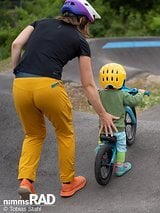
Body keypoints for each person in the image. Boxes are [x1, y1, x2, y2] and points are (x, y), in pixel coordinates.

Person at [11, 0, 119, 199]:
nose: (87, 28)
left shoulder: (39, 23)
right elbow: (87, 84)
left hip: (20, 85)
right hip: (48, 87)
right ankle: (68, 183)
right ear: (81, 20)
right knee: (65, 132)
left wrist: (17, 72)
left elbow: (16, 44)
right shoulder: (80, 41)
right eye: (87, 23)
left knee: (33, 135)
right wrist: (103, 114)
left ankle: (26, 181)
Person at [97, 63, 146, 176]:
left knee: (101, 141)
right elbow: (134, 101)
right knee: (121, 146)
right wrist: (141, 93)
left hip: (103, 128)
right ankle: (119, 167)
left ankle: (101, 153)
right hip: (118, 129)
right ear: (121, 80)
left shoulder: (99, 94)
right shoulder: (122, 94)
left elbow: (91, 101)